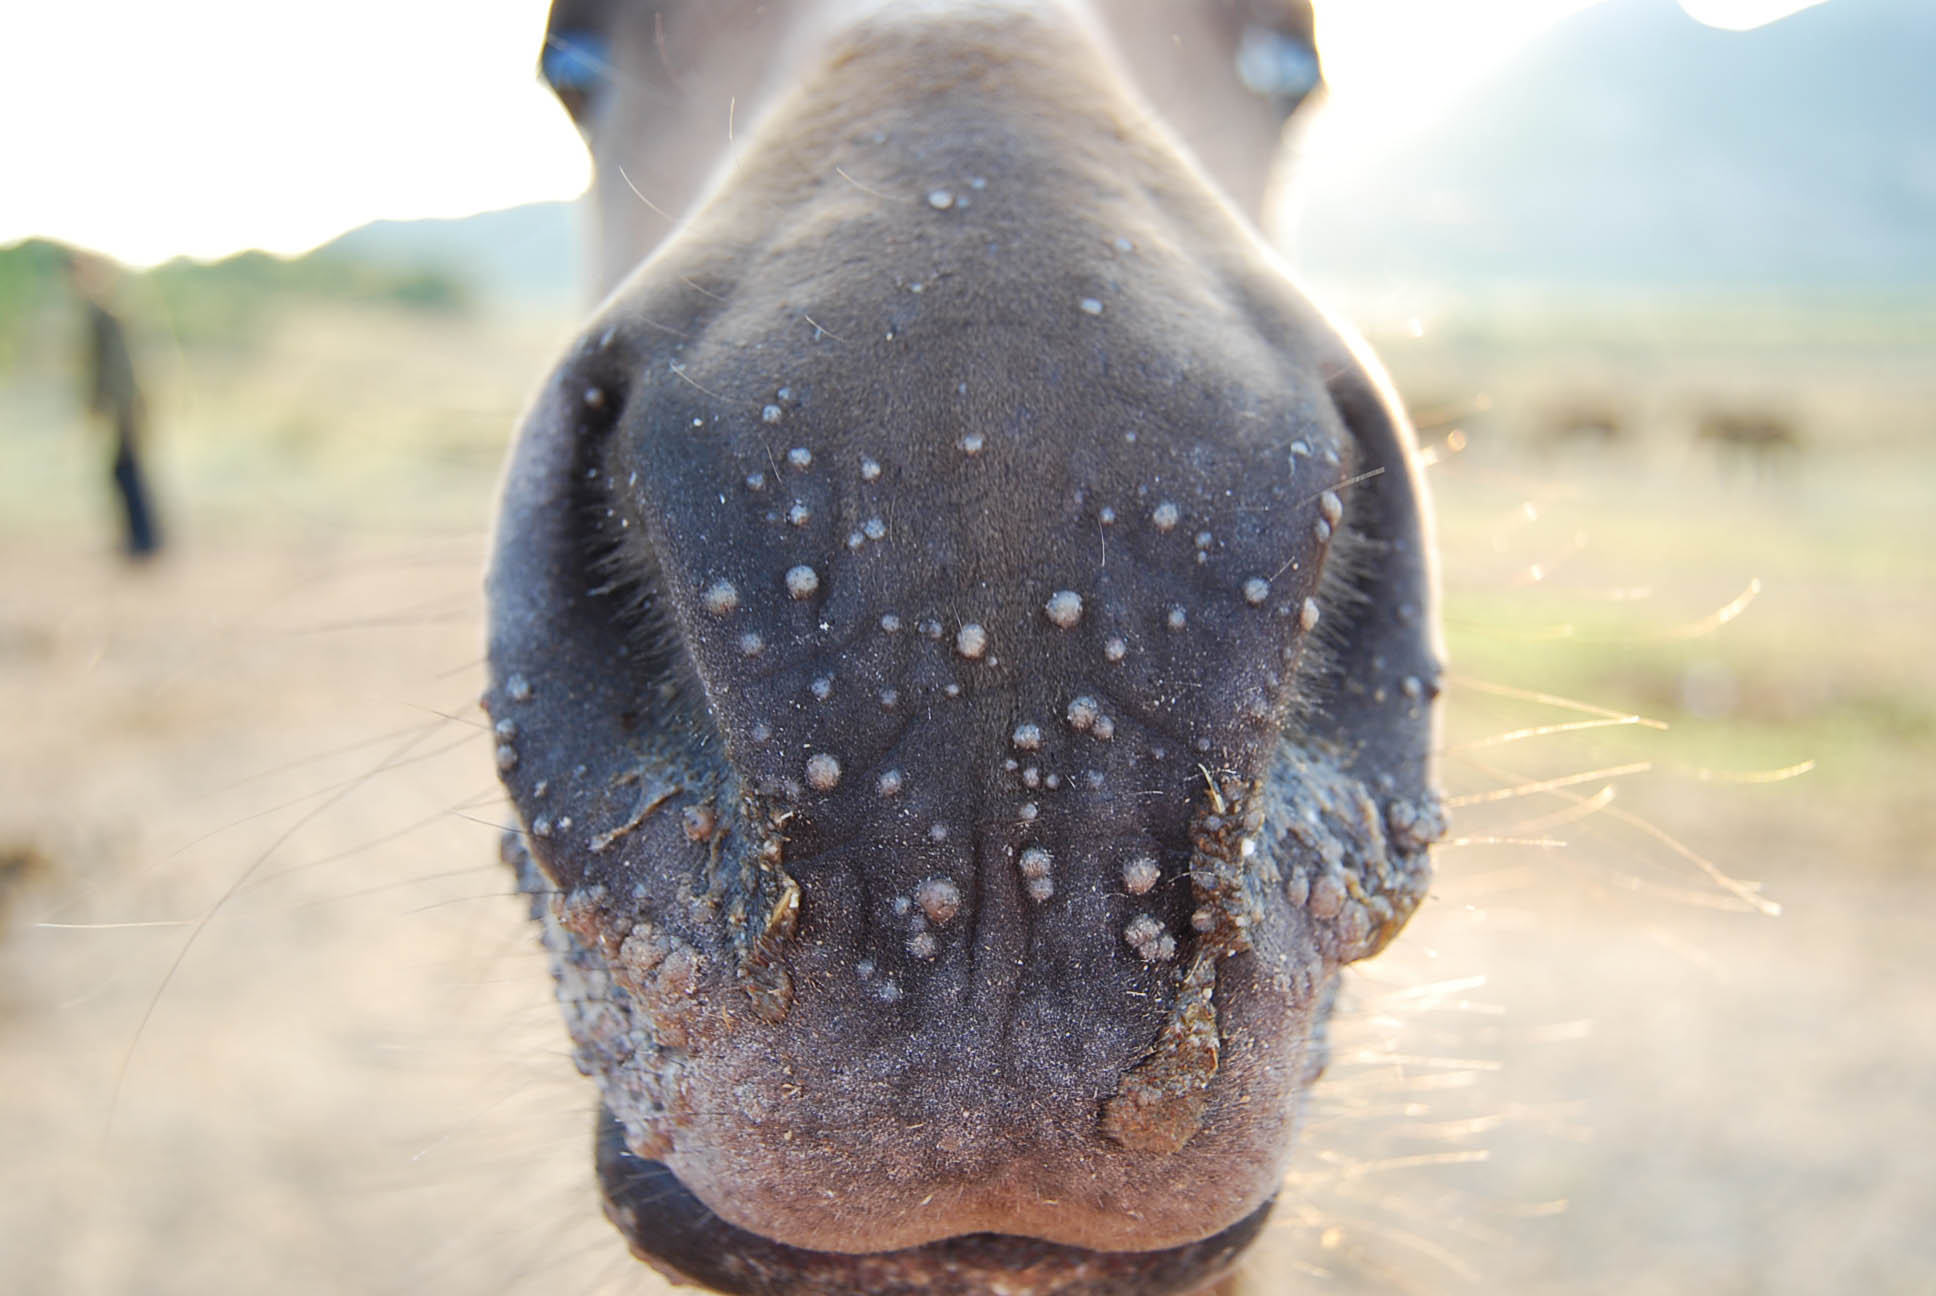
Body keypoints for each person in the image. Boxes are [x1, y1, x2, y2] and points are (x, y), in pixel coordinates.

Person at [67, 251, 161, 559]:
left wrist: (104, 407)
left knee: (125, 471)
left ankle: (144, 540)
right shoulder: (104, 312)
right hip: (126, 406)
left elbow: (115, 370)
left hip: (125, 407)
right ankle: (141, 538)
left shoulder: (104, 315)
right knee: (125, 470)